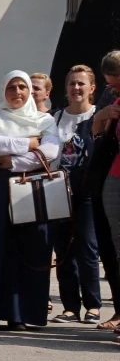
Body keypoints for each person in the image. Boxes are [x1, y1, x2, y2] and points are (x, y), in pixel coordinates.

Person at [0, 71, 59, 331]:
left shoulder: (45, 120)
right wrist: (29, 143)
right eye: (11, 87)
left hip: (28, 190)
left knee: (25, 249)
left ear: (30, 91)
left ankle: (19, 315)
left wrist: (14, 161)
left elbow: (51, 151)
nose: (17, 92)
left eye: (22, 87)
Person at [50, 65, 101, 324]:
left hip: (88, 192)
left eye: (81, 83)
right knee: (63, 250)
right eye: (72, 83)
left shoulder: (99, 116)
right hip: (58, 192)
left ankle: (93, 305)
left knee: (88, 248)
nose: (76, 88)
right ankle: (70, 306)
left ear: (92, 88)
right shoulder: (55, 117)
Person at [89, 51, 120, 330]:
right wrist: (102, 115)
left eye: (117, 82)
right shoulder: (112, 96)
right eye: (109, 82)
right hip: (109, 177)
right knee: (111, 247)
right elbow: (97, 135)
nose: (111, 87)